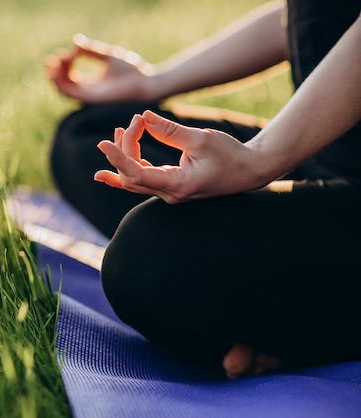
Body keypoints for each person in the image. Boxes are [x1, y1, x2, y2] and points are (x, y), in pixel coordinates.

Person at [45, 0, 361, 379]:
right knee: (84, 135)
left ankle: (317, 327)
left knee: (150, 260)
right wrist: (152, 81)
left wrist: (259, 160)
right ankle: (274, 310)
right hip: (318, 148)